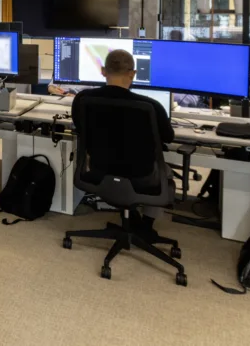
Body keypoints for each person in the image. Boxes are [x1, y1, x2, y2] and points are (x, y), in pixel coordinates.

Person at [72, 48, 175, 232]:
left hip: (99, 169)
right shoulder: (150, 106)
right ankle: (145, 226)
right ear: (133, 74)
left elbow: (80, 128)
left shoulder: (83, 99)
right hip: (141, 176)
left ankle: (130, 215)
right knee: (166, 171)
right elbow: (168, 137)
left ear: (103, 71)